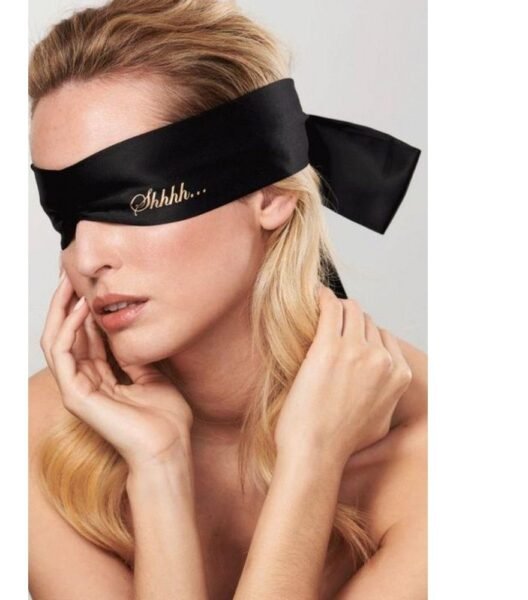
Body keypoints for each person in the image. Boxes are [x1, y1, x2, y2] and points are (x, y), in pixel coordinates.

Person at [28, 1, 427, 598]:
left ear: (269, 193)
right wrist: (158, 468)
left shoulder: (446, 457)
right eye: (65, 217)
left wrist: (310, 461)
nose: (85, 259)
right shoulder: (38, 436)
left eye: (131, 201)